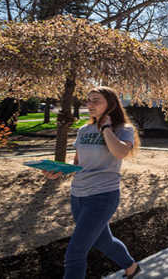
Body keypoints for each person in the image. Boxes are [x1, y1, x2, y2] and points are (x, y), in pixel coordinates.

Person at [42, 86, 140, 279]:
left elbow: (120, 153)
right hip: (78, 195)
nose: (90, 104)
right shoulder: (83, 130)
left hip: (103, 196)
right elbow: (78, 163)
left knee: (75, 252)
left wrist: (105, 128)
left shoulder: (124, 129)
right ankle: (131, 266)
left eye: (96, 100)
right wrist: (59, 171)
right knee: (104, 241)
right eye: (88, 100)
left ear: (110, 105)